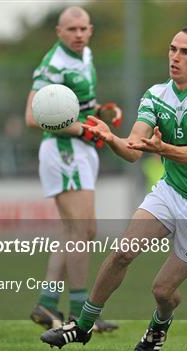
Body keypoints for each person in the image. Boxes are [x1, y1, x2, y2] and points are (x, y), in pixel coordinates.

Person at [40, 26, 187, 351]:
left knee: (162, 291)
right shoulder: (155, 94)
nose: (175, 57)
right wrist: (111, 138)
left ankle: (159, 324)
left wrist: (160, 149)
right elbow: (134, 149)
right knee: (122, 253)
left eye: (186, 52)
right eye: (173, 49)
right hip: (170, 192)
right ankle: (83, 325)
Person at [25, 6, 118, 333]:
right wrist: (82, 129)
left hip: (80, 150)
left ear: (90, 30)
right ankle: (81, 314)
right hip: (63, 151)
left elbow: (72, 105)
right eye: (72, 30)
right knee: (81, 233)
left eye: (83, 29)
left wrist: (97, 112)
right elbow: (33, 116)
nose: (79, 35)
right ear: (59, 32)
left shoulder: (86, 54)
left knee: (77, 232)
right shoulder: (54, 64)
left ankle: (46, 305)